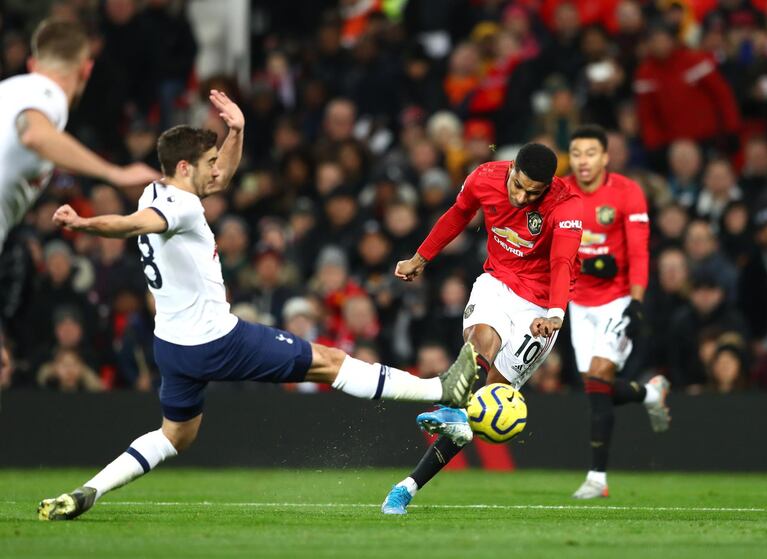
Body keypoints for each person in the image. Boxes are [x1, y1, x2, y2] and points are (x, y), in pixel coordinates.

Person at [38, 91, 478, 521]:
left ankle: (90, 490)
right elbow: (134, 225)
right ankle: (440, 390)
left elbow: (214, 181)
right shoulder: (180, 207)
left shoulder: (156, 191)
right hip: (216, 339)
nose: (217, 172)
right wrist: (85, 223)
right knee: (328, 361)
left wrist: (238, 129)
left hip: (172, 345)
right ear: (185, 166)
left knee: (176, 435)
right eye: (208, 163)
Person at [381, 142, 584, 515]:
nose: (522, 197)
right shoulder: (485, 176)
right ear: (511, 170)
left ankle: (408, 485)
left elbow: (562, 261)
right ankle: (452, 410)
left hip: (540, 308)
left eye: (533, 193)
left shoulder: (567, 204)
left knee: (488, 400)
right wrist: (420, 257)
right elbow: (458, 214)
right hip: (499, 283)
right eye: (519, 185)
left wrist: (556, 312)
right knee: (481, 339)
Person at [0, 19, 158, 378]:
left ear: (33, 61)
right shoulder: (43, 92)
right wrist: (114, 173)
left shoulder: (10, 91)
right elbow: (35, 136)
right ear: (85, 68)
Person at [562, 125, 670, 499]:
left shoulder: (627, 192)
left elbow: (639, 251)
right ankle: (650, 394)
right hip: (578, 301)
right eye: (576, 153)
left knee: (597, 377)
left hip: (618, 298)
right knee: (596, 388)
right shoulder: (561, 192)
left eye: (591, 153)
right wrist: (585, 268)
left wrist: (637, 301)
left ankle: (597, 479)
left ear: (605, 157)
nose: (583, 160)